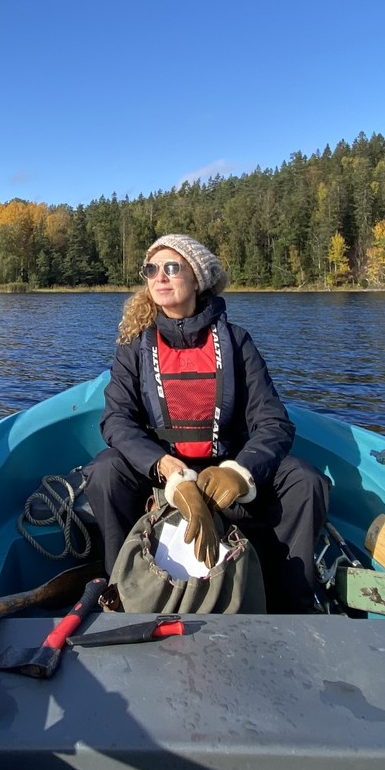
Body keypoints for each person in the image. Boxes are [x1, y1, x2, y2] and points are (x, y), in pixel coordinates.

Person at [85, 233, 330, 613]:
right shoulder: (135, 346)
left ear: (197, 279)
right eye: (151, 269)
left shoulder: (236, 342)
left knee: (305, 480)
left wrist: (240, 473)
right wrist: (164, 467)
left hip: (223, 474)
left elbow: (273, 423)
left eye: (171, 268)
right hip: (162, 476)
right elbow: (117, 420)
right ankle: (123, 588)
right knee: (104, 472)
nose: (159, 277)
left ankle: (290, 603)